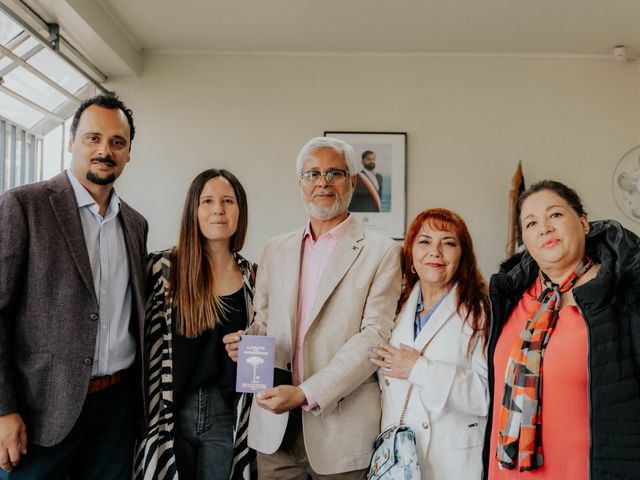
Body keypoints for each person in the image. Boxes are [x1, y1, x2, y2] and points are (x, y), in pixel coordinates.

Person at [224, 136, 402, 479]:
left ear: (352, 181)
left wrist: (306, 393)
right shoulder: (275, 249)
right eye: (312, 174)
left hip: (341, 434)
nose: (323, 182)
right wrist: (246, 343)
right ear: (300, 184)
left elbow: (374, 337)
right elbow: (263, 324)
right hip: (275, 434)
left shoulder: (382, 252)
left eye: (334, 173)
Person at [0, 95, 148, 478]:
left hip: (116, 411)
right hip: (40, 413)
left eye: (118, 142)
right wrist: (4, 408)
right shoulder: (23, 206)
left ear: (129, 152)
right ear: (72, 142)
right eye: (93, 138)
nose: (105, 150)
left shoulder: (135, 225)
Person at [483, 180, 640, 479]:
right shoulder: (512, 296)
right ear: (525, 241)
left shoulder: (623, 295)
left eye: (555, 215)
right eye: (531, 223)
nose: (544, 228)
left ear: (583, 223)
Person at [135, 169, 257, 480]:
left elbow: (268, 358)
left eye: (228, 200)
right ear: (194, 210)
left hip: (227, 415)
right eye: (207, 201)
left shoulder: (254, 278)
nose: (218, 209)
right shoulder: (161, 271)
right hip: (167, 415)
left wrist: (250, 348)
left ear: (240, 210)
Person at [371, 208, 490, 479]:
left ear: (463, 257)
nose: (435, 251)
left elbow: (486, 395)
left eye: (448, 243)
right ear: (411, 255)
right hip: (399, 461)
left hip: (453, 461)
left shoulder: (480, 311)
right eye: (424, 242)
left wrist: (418, 369)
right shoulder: (395, 306)